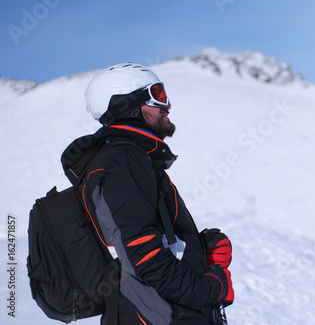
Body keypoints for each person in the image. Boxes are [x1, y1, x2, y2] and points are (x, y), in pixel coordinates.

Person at [60, 63, 234, 324]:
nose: (167, 106)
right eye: (157, 95)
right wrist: (210, 289)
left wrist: (197, 251)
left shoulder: (129, 159)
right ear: (126, 105)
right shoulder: (122, 161)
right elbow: (145, 258)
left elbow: (141, 238)